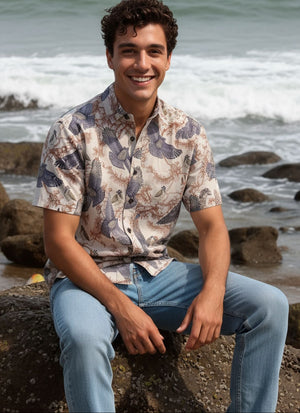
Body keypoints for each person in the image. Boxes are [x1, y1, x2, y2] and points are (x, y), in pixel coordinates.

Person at [33, 0, 289, 412]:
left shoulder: (188, 134)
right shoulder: (72, 131)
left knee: (270, 307)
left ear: (168, 58)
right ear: (110, 57)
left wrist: (212, 290)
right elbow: (58, 244)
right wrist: (123, 310)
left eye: (154, 51)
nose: (142, 63)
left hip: (157, 273)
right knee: (83, 338)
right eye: (129, 50)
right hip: (85, 280)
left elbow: (212, 229)